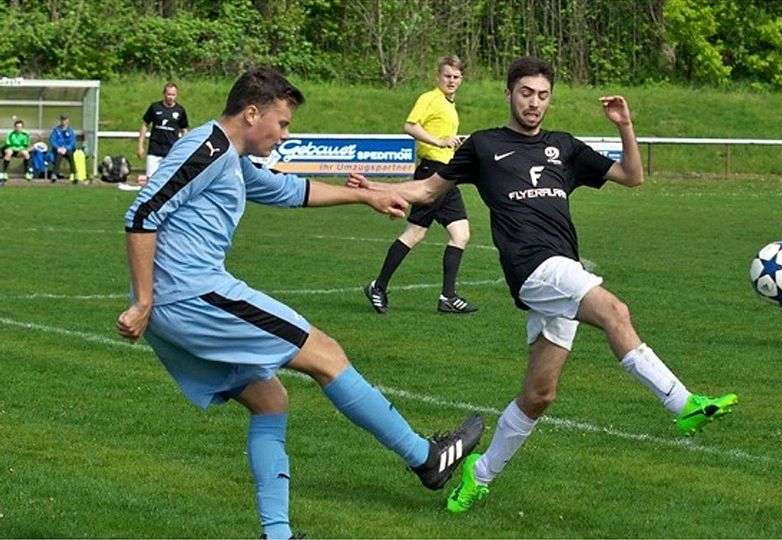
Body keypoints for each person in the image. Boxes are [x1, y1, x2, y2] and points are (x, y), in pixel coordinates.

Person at [348, 56, 738, 513]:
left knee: (539, 395)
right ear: (509, 94)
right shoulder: (485, 145)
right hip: (532, 268)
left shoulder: (564, 147)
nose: (535, 103)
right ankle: (683, 404)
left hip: (563, 270)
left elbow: (632, 177)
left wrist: (625, 125)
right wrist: (373, 189)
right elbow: (429, 190)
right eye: (527, 93)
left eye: (543, 95)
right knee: (616, 311)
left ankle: (480, 473)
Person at [116, 67, 483, 538]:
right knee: (326, 354)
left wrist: (369, 197)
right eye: (283, 123)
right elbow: (142, 212)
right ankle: (426, 459)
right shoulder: (207, 148)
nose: (285, 134)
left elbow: (290, 190)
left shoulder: (231, 156)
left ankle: (278, 535)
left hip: (179, 305)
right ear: (252, 113)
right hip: (193, 295)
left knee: (270, 399)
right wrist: (144, 301)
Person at [363, 56, 478, 315]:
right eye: (447, 76)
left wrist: (452, 143)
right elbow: (410, 126)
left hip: (447, 175)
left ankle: (448, 296)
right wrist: (438, 142)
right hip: (432, 174)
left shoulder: (449, 104)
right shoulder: (430, 98)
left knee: (460, 234)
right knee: (415, 233)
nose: (451, 81)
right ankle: (378, 286)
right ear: (438, 77)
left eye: (456, 77)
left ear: (461, 80)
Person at [137, 82, 189, 183]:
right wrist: (140, 145)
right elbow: (145, 125)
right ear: (164, 94)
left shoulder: (180, 110)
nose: (171, 97)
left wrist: (184, 149)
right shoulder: (155, 107)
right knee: (150, 181)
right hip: (154, 150)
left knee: (169, 182)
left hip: (171, 151)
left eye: (173, 94)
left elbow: (184, 130)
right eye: (169, 94)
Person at [49, 114, 77, 181]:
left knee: (70, 154)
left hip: (67, 149)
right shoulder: (56, 130)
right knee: (59, 155)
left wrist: (66, 148)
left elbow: (72, 142)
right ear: (60, 121)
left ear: (68, 120)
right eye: (62, 120)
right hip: (58, 149)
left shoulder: (70, 130)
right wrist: (58, 148)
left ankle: (74, 173)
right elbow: (52, 140)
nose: (64, 121)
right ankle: (54, 174)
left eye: (65, 120)